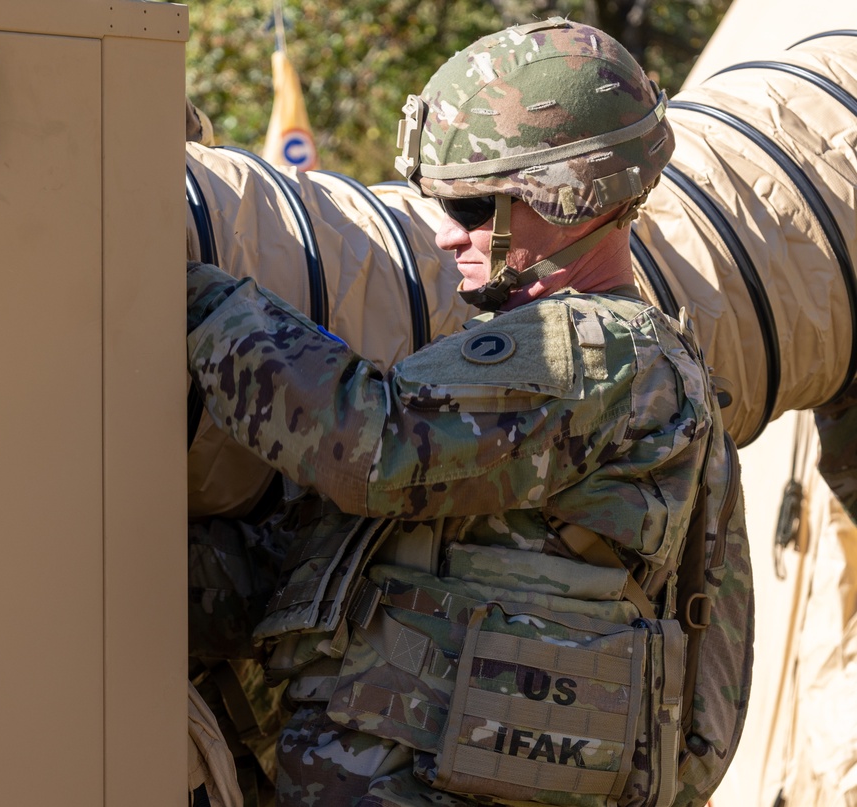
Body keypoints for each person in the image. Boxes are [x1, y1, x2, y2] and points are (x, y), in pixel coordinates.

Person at [187, 17, 726, 807]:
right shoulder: (556, 360)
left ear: (573, 196)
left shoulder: (594, 352)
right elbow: (349, 553)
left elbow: (371, 447)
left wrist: (199, 299)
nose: (443, 236)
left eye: (474, 206)